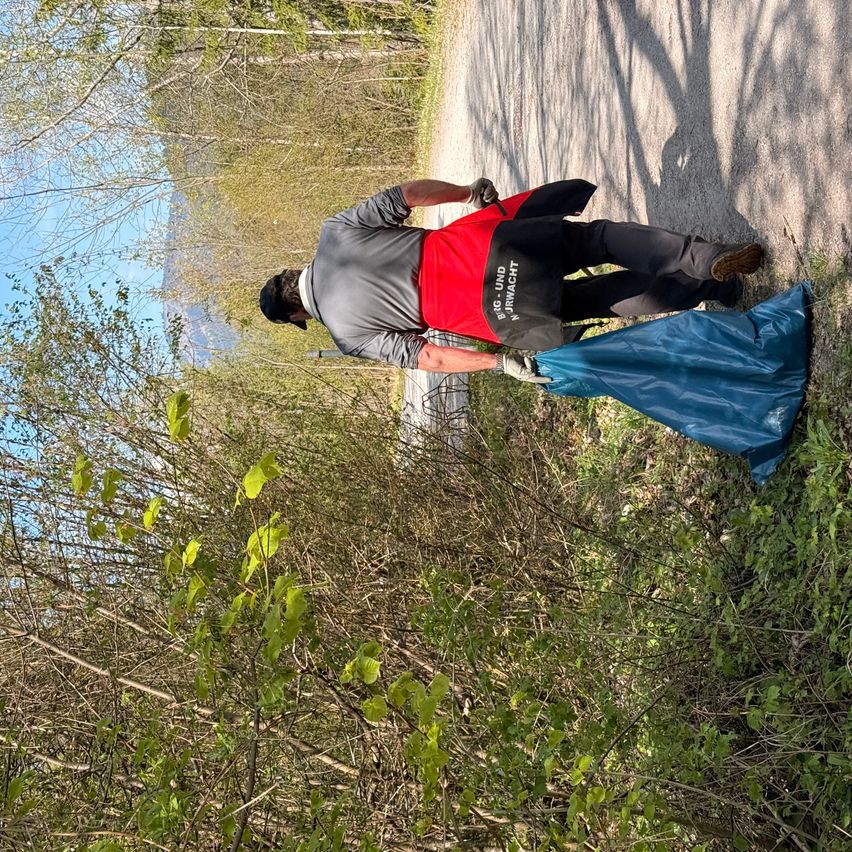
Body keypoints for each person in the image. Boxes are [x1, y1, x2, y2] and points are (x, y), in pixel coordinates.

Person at [258, 178, 764, 384]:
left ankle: (714, 288)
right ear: (292, 275)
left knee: (601, 300)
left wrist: (499, 362)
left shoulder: (348, 337)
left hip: (493, 310)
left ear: (298, 315)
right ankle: (704, 259)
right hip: (486, 246)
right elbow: (406, 195)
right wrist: (465, 192)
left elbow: (427, 356)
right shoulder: (335, 233)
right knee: (600, 241)